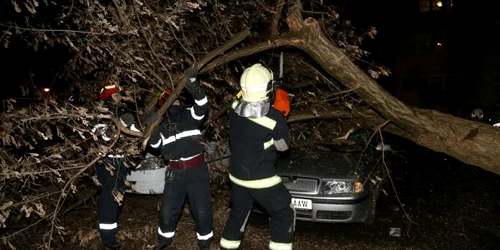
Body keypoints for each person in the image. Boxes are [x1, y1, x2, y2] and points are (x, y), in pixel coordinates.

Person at [220, 63, 295, 250]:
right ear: (267, 87)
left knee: (239, 212)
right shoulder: (275, 118)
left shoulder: (234, 109)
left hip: (237, 177)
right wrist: (281, 114)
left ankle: (227, 246)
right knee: (284, 213)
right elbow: (283, 147)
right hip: (262, 179)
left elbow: (239, 98)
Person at [148, 68, 213, 250]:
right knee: (168, 210)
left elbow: (202, 105)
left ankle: (205, 242)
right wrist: (151, 128)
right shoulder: (161, 126)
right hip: (174, 174)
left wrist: (194, 86)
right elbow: (153, 147)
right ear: (164, 104)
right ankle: (163, 241)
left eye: (176, 98)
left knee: (201, 210)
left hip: (196, 171)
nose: (175, 101)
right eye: (170, 100)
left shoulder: (190, 115)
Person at [92, 83, 141, 249]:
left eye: (119, 95)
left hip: (121, 162)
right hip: (108, 163)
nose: (119, 97)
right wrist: (120, 126)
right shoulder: (100, 116)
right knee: (110, 198)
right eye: (115, 95)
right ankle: (108, 238)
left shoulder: (123, 113)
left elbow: (138, 134)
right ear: (107, 98)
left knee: (117, 195)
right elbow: (103, 138)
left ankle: (111, 229)